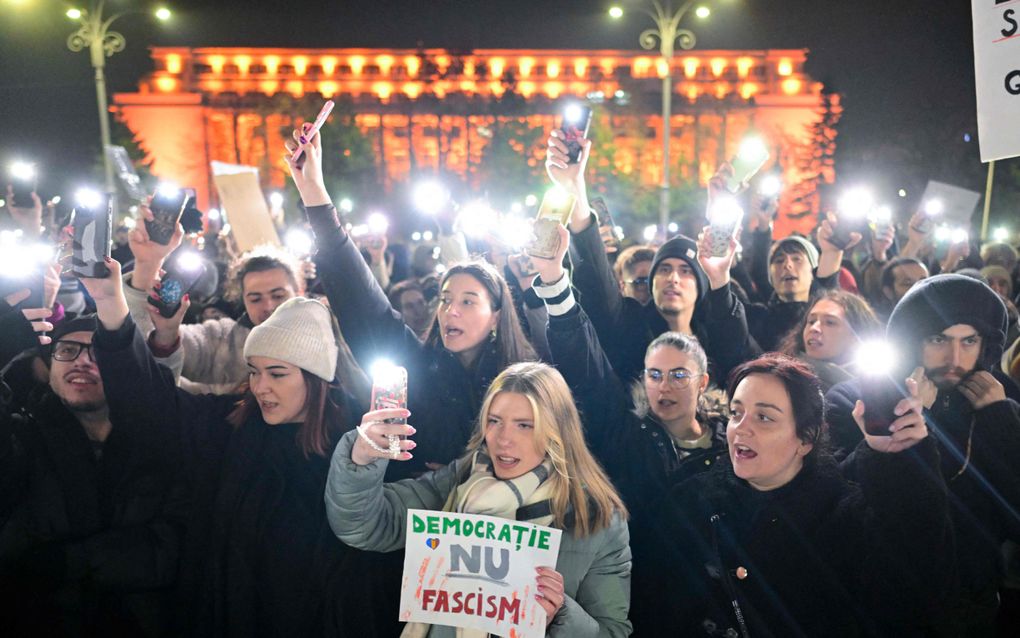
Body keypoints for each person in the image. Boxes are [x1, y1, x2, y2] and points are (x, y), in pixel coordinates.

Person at [80, 258, 365, 637]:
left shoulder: (358, 448)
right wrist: (110, 304)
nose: (261, 387)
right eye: (254, 371)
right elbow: (150, 404)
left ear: (317, 378)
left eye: (277, 374)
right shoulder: (232, 424)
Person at [285, 123, 537, 480]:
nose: (451, 310)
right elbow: (364, 304)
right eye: (446, 299)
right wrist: (314, 193)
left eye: (468, 301)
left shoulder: (530, 383)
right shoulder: (414, 369)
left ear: (497, 316)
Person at [653, 353, 954, 636]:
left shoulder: (845, 517)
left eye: (765, 418)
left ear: (806, 439)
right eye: (736, 413)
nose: (741, 429)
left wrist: (906, 459)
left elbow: (914, 584)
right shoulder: (690, 500)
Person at [325, 361, 632, 637]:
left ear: (556, 432)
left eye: (524, 425)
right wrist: (361, 458)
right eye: (494, 421)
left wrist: (561, 614)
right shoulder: (459, 480)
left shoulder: (597, 517)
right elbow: (367, 525)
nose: (503, 438)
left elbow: (613, 631)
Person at [826, 274, 1020, 635]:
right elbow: (833, 496)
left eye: (969, 341)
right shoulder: (860, 398)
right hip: (881, 601)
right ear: (912, 340)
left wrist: (1000, 423)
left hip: (973, 607)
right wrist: (894, 438)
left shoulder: (1002, 401)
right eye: (938, 339)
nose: (954, 358)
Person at [0, 294, 188, 637]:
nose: (81, 362)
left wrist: (69, 562)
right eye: (67, 351)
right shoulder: (24, 438)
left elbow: (176, 542)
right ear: (47, 369)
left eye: (98, 352)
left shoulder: (162, 441)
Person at [545, 131, 758, 384]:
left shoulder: (717, 340)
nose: (673, 278)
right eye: (664, 269)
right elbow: (598, 285)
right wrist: (575, 190)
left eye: (686, 271)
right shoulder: (629, 331)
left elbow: (741, 354)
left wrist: (720, 275)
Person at [124, 206, 306, 394]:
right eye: (255, 299)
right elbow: (141, 351)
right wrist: (148, 264)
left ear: (299, 292)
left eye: (278, 296)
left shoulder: (330, 335)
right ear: (242, 300)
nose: (269, 307)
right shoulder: (221, 340)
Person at [778, 289, 882, 390]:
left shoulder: (878, 386)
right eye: (811, 321)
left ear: (856, 336)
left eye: (830, 322)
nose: (814, 328)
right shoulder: (784, 378)